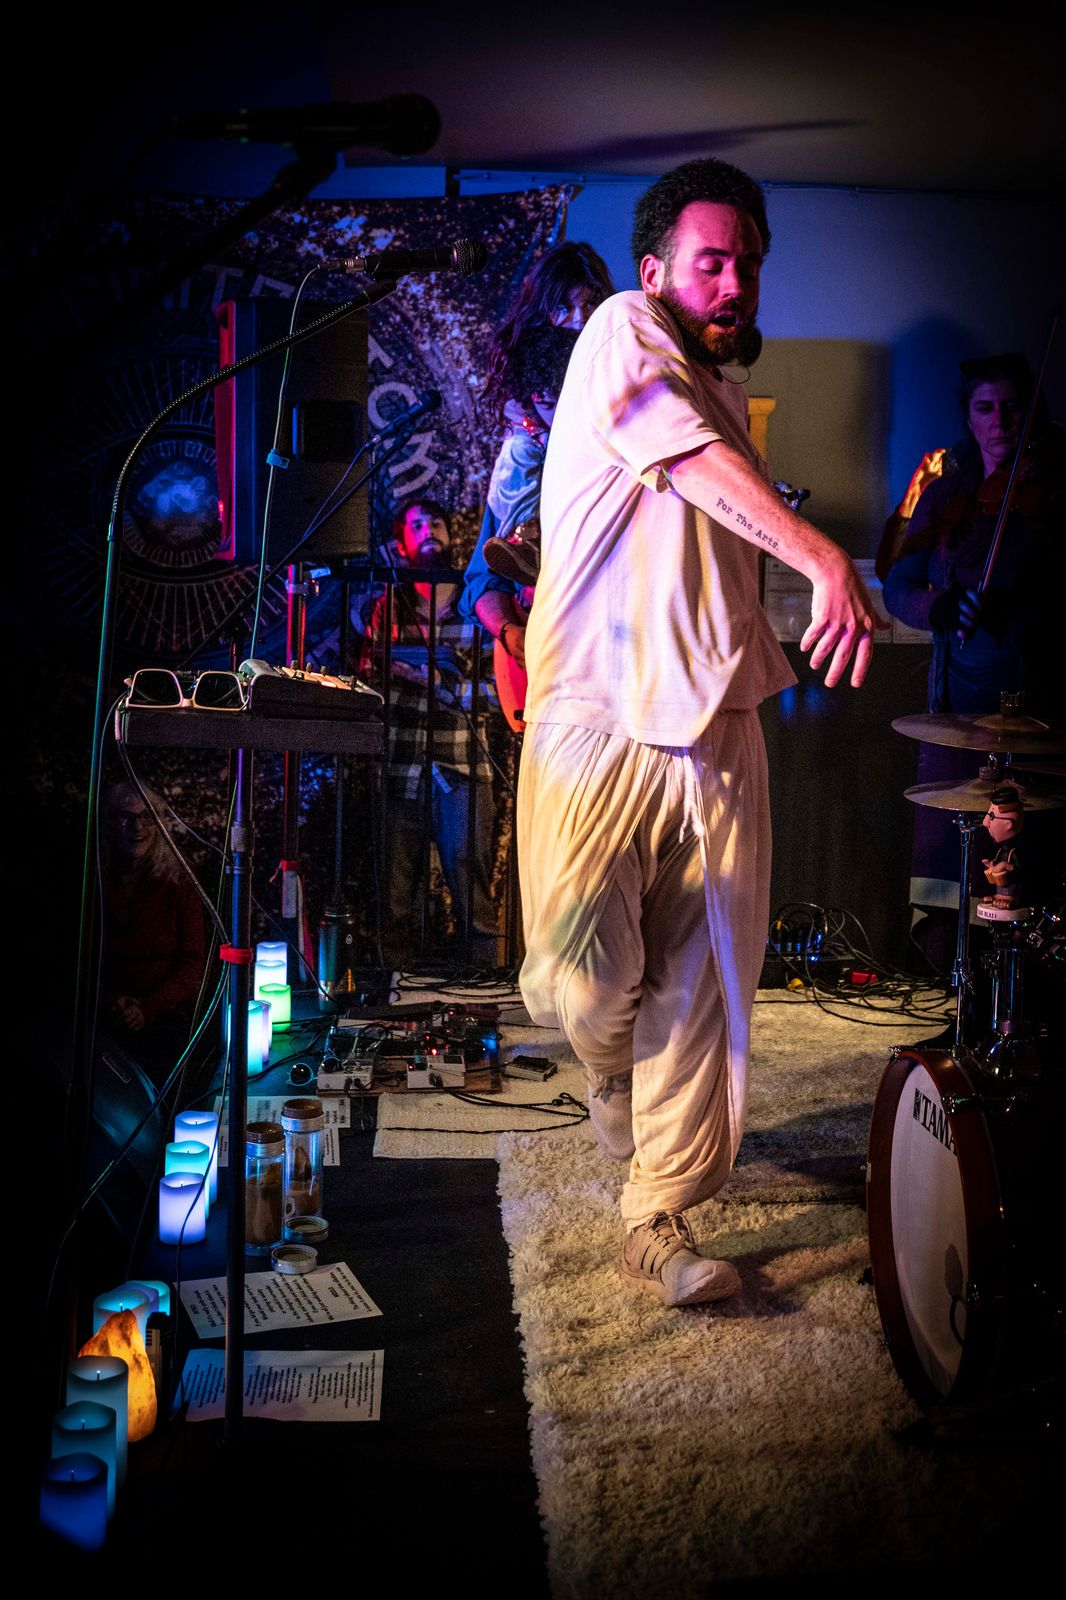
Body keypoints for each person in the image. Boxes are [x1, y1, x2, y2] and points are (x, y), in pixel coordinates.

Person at [515, 157, 880, 1307]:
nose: (735, 283)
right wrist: (820, 556)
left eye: (750, 265)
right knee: (583, 979)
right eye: (712, 261)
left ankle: (657, 1215)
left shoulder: (723, 396)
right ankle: (606, 1071)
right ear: (655, 269)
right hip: (595, 717)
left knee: (704, 986)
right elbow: (684, 460)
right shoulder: (621, 330)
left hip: (717, 727)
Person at [881, 352, 1065, 963]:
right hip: (956, 708)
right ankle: (962, 981)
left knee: (1029, 855)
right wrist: (940, 606)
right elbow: (899, 584)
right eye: (986, 408)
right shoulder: (946, 495)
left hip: (1039, 704)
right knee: (954, 849)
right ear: (968, 415)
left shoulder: (1052, 488)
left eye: (1013, 407)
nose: (1000, 421)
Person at [461, 241, 615, 667]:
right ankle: (527, 540)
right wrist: (510, 634)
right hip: (539, 656)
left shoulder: (621, 458)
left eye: (589, 304)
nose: (578, 319)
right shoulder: (525, 444)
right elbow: (483, 581)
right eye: (563, 307)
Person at [360, 498, 498, 968]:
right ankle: (398, 990)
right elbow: (365, 681)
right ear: (401, 544)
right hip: (400, 766)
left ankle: (482, 989)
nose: (428, 531)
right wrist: (389, 674)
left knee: (472, 891)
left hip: (462, 767)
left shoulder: (475, 607)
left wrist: (440, 682)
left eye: (435, 523)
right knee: (396, 896)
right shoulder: (387, 608)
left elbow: (499, 694)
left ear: (450, 534)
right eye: (416, 526)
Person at [100, 779, 207, 1077]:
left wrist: (148, 1008)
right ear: (111, 822)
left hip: (165, 1015)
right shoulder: (93, 878)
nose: (137, 827)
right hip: (103, 1015)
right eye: (126, 817)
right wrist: (110, 1001)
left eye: (146, 816)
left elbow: (191, 962)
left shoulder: (178, 881)